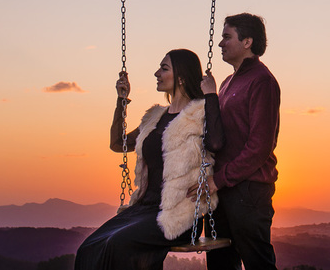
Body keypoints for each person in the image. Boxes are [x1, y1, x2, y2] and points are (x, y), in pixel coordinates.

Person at [75, 49, 225, 270]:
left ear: (181, 77)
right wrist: (121, 100)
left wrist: (211, 95)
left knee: (116, 245)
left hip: (178, 215)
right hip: (144, 209)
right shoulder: (154, 117)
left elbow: (216, 143)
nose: (157, 73)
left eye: (164, 69)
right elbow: (117, 143)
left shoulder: (200, 114)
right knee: (88, 248)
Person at [205, 13, 281, 270]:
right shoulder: (227, 83)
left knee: (258, 263)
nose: (220, 43)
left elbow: (260, 147)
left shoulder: (262, 81)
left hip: (248, 190)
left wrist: (218, 179)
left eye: (227, 37)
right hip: (221, 190)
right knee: (220, 264)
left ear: (247, 42)